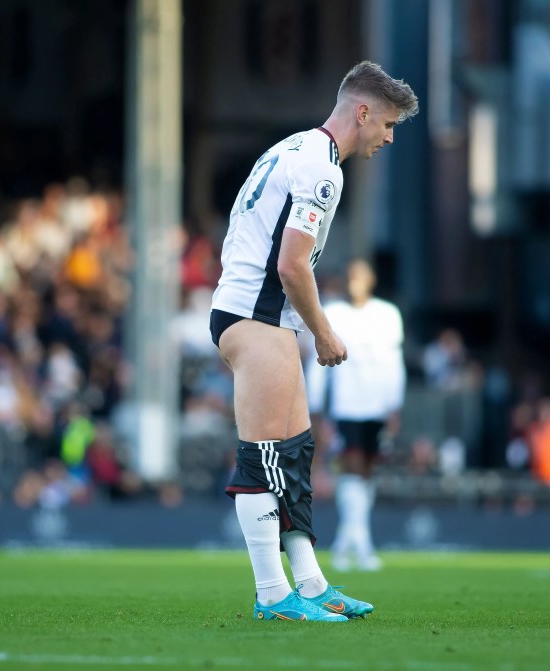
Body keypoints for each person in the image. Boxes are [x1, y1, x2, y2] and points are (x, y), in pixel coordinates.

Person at [209, 61, 418, 622]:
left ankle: (311, 583)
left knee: (295, 457)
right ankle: (273, 595)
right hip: (256, 315)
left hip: (262, 314)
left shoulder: (296, 147)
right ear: (363, 112)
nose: (389, 138)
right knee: (264, 459)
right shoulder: (324, 170)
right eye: (389, 124)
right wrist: (324, 333)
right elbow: (292, 264)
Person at [307, 259, 405, 572]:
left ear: (371, 280)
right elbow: (318, 359)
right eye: (350, 276)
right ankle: (361, 543)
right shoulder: (333, 313)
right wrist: (316, 405)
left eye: (361, 276)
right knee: (349, 467)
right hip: (345, 405)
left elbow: (394, 361)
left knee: (367, 471)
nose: (355, 282)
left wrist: (394, 404)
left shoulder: (388, 314)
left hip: (376, 404)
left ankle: (348, 541)